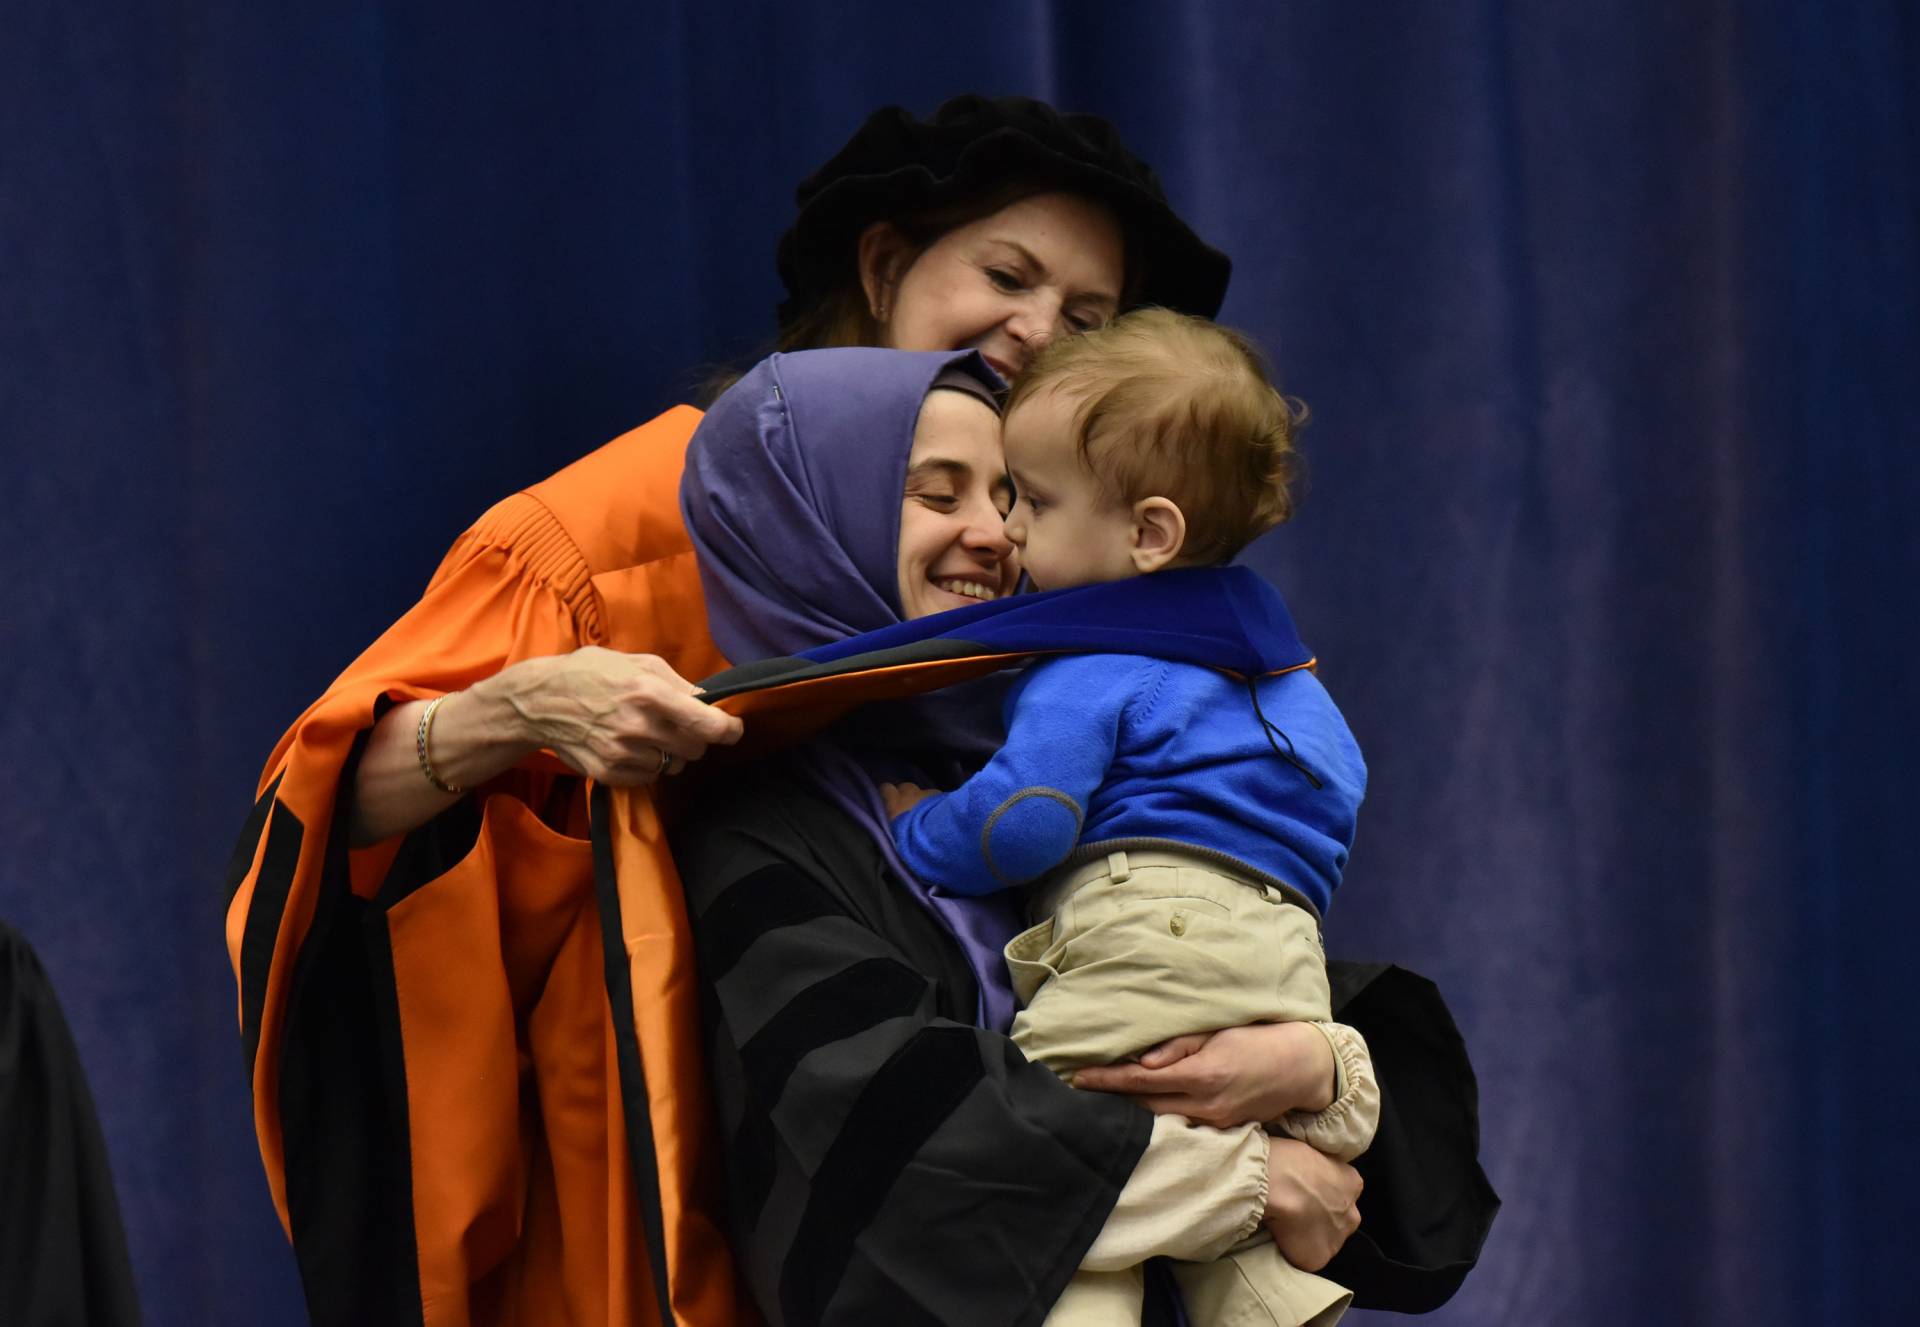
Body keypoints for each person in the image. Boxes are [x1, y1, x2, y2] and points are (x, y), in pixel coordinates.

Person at [223, 95, 1375, 1326]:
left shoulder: (1044, 588)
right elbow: (325, 817)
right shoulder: (623, 531)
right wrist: (518, 705)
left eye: (1088, 317)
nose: (1039, 331)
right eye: (1007, 275)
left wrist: (1324, 1067)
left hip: (996, 1196)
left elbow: (1180, 912)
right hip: (640, 1170)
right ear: (882, 268)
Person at [671, 344, 1383, 1324]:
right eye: (938, 494)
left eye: (1015, 493)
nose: (997, 533)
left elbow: (1350, 1156)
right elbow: (909, 1149)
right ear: (806, 522)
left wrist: (1319, 1064)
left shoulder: (1043, 746)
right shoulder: (763, 826)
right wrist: (1252, 1178)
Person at [881, 309, 1369, 1325]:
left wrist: (917, 826)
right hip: (1288, 963)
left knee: (1066, 1148)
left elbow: (1023, 822)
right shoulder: (1286, 674)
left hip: (1143, 932)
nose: (1010, 529)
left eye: (1035, 499)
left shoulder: (1098, 660)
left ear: (1150, 533)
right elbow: (1335, 799)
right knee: (1220, 1179)